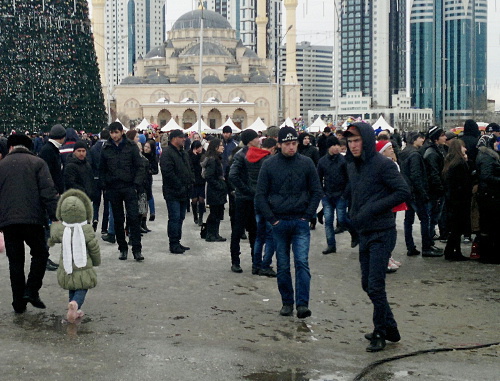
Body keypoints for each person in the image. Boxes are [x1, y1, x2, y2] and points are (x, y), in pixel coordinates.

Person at [343, 123, 410, 352]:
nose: (353, 146)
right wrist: (350, 215)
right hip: (364, 231)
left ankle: (380, 332)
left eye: (357, 141)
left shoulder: (384, 165)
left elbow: (403, 192)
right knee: (367, 284)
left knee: (375, 285)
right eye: (350, 142)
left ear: (367, 142)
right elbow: (354, 191)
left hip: (383, 231)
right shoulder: (353, 165)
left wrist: (373, 208)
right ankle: (390, 327)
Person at [255, 127, 322, 319]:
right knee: (283, 265)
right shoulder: (269, 164)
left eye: (294, 144)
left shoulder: (307, 163)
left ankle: (302, 304)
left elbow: (317, 190)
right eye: (287, 144)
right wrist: (272, 219)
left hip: (300, 220)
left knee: (302, 263)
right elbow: (260, 195)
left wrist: (308, 215)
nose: (291, 147)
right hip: (280, 222)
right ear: (279, 144)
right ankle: (287, 302)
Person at [0, 134, 59, 313]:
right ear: (29, 147)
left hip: (9, 222)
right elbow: (48, 192)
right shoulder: (38, 163)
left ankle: (18, 303)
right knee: (40, 254)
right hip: (33, 219)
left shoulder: (1, 166)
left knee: (15, 262)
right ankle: (32, 290)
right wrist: (55, 216)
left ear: (10, 147)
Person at [48, 189, 101, 323]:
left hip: (67, 266)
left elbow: (52, 236)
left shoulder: (61, 229)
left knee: (72, 285)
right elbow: (93, 247)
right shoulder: (87, 229)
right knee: (82, 287)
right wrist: (96, 260)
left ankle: (72, 307)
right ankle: (75, 304)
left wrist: (50, 239)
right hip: (83, 266)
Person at [99, 122, 144, 261]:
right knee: (118, 220)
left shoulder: (131, 146)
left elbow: (140, 166)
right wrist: (105, 186)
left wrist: (136, 183)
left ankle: (137, 249)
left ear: (121, 132)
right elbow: (102, 169)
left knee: (133, 218)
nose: (114, 135)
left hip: (129, 186)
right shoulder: (106, 148)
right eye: (112, 133)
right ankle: (122, 248)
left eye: (116, 132)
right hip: (113, 188)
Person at [399, 132, 441, 257]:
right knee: (424, 219)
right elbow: (416, 175)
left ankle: (410, 246)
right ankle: (426, 247)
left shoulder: (403, 153)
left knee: (408, 220)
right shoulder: (415, 155)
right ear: (414, 140)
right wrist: (423, 193)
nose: (422, 140)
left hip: (407, 191)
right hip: (416, 193)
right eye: (420, 138)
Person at [317, 135, 357, 255]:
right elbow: (318, 179)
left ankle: (354, 233)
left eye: (338, 145)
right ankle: (331, 245)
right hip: (328, 195)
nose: (336, 148)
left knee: (342, 219)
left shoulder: (344, 161)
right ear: (329, 147)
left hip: (341, 195)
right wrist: (322, 194)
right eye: (333, 145)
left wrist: (345, 194)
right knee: (328, 221)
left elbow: (350, 179)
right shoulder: (322, 161)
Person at [228, 129, 261, 273]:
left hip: (253, 198)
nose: (259, 140)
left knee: (254, 231)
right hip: (242, 199)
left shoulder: (259, 155)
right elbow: (233, 175)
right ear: (250, 140)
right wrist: (246, 189)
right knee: (238, 231)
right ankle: (235, 261)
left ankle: (256, 261)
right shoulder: (241, 155)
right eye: (256, 138)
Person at [160, 129, 194, 254]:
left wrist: (191, 181)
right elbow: (168, 173)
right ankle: (173, 243)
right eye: (181, 137)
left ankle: (177, 241)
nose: (184, 139)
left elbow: (189, 168)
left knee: (181, 218)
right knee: (174, 217)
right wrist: (179, 186)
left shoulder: (183, 153)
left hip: (184, 191)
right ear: (174, 138)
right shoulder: (167, 153)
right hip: (173, 192)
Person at [39, 123, 66, 271]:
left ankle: (44, 257)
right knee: (47, 227)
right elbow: (49, 174)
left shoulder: (50, 149)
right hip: (49, 194)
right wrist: (54, 190)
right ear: (62, 138)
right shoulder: (49, 151)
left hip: (51, 192)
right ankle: (44, 257)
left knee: (49, 227)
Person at [442, 139, 472, 261]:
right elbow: (464, 182)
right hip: (460, 200)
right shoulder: (460, 163)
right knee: (457, 228)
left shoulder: (450, 162)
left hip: (452, 200)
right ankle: (452, 251)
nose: (465, 149)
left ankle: (452, 251)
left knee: (455, 227)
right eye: (463, 147)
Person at [252, 138, 278, 277]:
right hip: (268, 203)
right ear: (272, 148)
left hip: (257, 200)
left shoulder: (252, 157)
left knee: (259, 236)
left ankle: (256, 264)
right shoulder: (269, 162)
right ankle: (265, 264)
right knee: (271, 237)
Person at [475, 135, 500, 264]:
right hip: (489, 196)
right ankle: (489, 255)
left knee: (488, 225)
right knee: (490, 225)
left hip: (488, 195)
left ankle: (488, 254)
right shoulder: (487, 157)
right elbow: (486, 176)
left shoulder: (487, 155)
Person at [423, 126, 447, 244]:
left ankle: (430, 241)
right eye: (442, 135)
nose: (445, 137)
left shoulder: (437, 150)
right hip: (434, 191)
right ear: (436, 139)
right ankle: (429, 243)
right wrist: (440, 189)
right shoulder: (432, 153)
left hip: (436, 189)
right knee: (432, 217)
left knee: (434, 217)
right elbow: (434, 174)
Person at [202, 138, 228, 242]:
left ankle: (215, 233)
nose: (223, 147)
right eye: (221, 145)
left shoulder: (216, 158)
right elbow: (210, 176)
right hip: (215, 191)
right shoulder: (213, 160)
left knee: (217, 213)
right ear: (216, 147)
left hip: (217, 191)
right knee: (214, 213)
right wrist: (220, 185)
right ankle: (211, 234)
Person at [89, 129, 111, 233]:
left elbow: (90, 163)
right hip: (106, 178)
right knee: (107, 203)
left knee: (96, 202)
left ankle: (95, 218)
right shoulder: (109, 147)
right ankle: (104, 227)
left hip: (95, 177)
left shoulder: (93, 148)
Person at [188, 140, 206, 226]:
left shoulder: (204, 154)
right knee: (194, 200)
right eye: (197, 148)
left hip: (202, 179)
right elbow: (190, 165)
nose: (199, 149)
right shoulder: (189, 155)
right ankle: (195, 216)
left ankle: (201, 218)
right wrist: (194, 156)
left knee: (201, 199)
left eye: (200, 147)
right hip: (193, 180)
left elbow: (202, 164)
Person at [143, 139, 159, 222]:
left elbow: (156, 170)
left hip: (148, 178)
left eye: (148, 147)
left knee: (149, 195)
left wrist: (150, 171)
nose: (146, 149)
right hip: (142, 179)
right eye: (145, 146)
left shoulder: (153, 158)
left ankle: (152, 212)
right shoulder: (141, 155)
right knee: (144, 198)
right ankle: (144, 218)